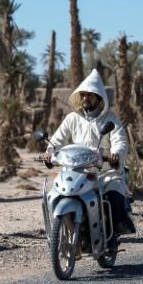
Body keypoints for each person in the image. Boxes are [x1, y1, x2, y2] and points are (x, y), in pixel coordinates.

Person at [42, 69, 135, 237]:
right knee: (54, 192)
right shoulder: (72, 118)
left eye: (90, 95)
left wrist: (115, 155)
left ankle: (115, 229)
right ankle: (60, 231)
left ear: (99, 97)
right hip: (76, 171)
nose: (85, 98)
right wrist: (49, 153)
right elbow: (56, 141)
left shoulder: (110, 119)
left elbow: (120, 141)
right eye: (83, 94)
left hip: (103, 171)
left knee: (114, 192)